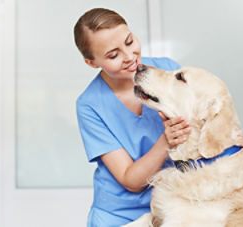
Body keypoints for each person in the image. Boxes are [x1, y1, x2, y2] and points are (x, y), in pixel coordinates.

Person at [74, 8, 191, 227]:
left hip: (174, 207)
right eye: (113, 55)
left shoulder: (168, 70)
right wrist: (166, 140)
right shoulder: (90, 105)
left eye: (129, 42)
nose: (129, 57)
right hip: (120, 216)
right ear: (92, 62)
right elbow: (131, 180)